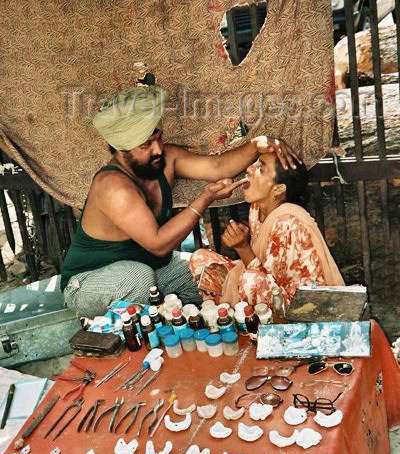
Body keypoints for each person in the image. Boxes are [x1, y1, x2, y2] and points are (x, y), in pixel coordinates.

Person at [60, 84, 298, 318]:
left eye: (158, 138)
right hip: (89, 282)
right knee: (138, 278)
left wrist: (256, 145)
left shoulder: (166, 158)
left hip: (150, 267)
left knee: (206, 276)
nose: (158, 149)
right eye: (146, 145)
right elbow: (159, 244)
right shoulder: (113, 187)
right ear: (121, 152)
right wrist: (205, 198)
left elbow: (218, 167)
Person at [189, 152, 344, 309]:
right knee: (200, 258)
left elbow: (273, 285)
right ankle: (229, 307)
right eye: (254, 163)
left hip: (295, 304)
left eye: (260, 169)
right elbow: (261, 266)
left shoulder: (288, 223)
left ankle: (232, 312)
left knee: (249, 281)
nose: (249, 168)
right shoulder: (256, 208)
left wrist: (242, 247)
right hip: (262, 280)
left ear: (278, 189)